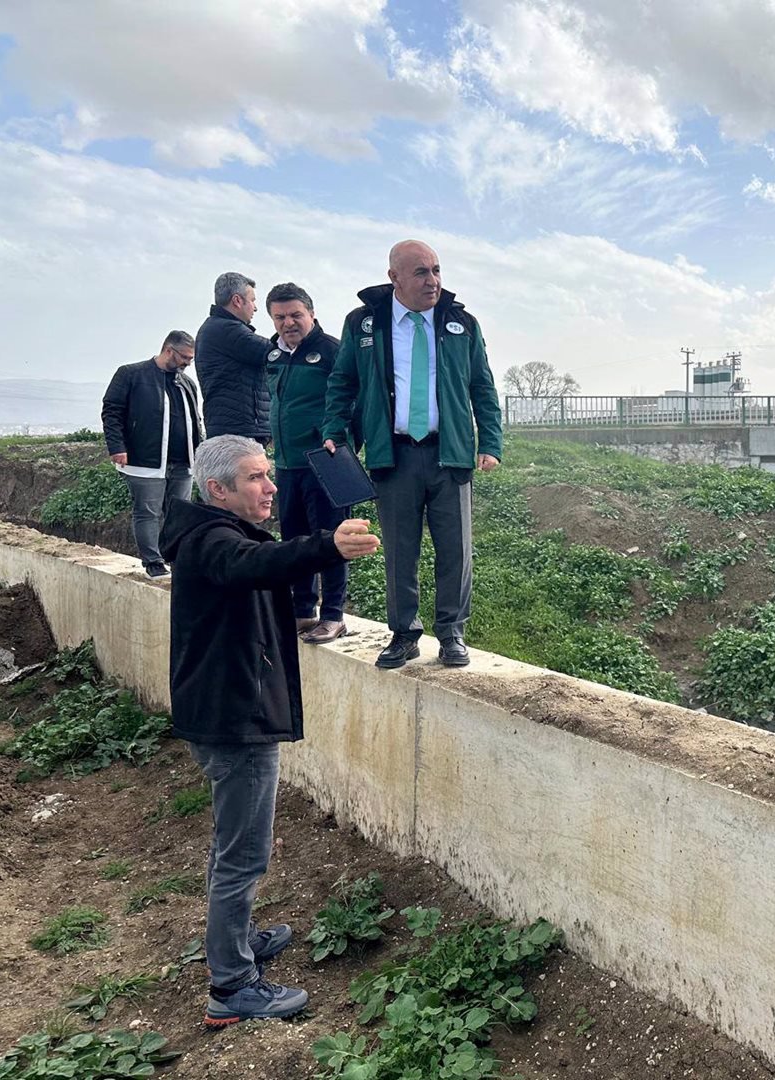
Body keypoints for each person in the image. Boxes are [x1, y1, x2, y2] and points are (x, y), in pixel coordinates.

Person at [160, 435, 380, 1026]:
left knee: (230, 843)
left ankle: (234, 938)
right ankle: (231, 985)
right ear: (217, 490)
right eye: (256, 477)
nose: (271, 486)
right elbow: (253, 565)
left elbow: (255, 562)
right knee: (243, 855)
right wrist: (328, 545)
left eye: (267, 473)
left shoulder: (211, 531)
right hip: (236, 721)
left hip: (225, 710)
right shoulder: (213, 541)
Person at [322, 239, 502, 670]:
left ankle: (452, 632)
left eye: (437, 270)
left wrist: (491, 442)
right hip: (394, 454)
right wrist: (334, 430)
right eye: (421, 272)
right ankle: (404, 634)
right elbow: (342, 381)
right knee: (400, 551)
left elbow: (482, 385)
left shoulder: (462, 324)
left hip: (449, 453)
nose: (433, 281)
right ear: (395, 278)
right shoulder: (365, 324)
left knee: (455, 549)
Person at [264, 282, 350, 644]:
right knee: (295, 540)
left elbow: (352, 398)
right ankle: (302, 610)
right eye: (280, 317)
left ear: (311, 314)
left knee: (331, 539)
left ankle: (333, 615)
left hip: (325, 461)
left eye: (295, 314)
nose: (288, 323)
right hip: (287, 464)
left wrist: (342, 441)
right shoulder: (273, 355)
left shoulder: (332, 351)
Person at [100, 330, 205, 577]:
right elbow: (111, 412)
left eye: (191, 358)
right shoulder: (131, 374)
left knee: (179, 514)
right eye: (185, 357)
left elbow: (195, 420)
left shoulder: (186, 383)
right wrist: (117, 447)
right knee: (148, 512)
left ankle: (177, 560)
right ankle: (153, 562)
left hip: (184, 462)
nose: (188, 363)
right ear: (169, 350)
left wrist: (200, 451)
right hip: (144, 461)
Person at [195, 272, 274, 441]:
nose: (255, 307)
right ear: (237, 300)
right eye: (252, 300)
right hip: (238, 431)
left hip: (234, 427)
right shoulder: (226, 330)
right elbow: (272, 352)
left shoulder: (217, 327)